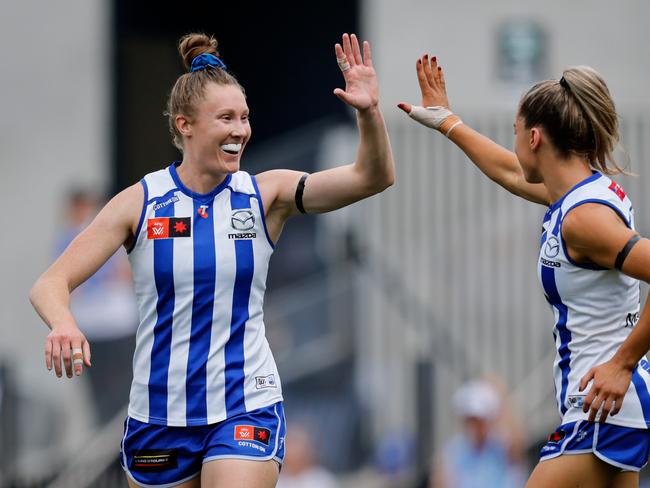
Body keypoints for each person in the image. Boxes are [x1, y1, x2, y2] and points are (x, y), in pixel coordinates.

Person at [29, 32, 394, 488]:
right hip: (159, 413)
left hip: (245, 403)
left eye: (245, 117)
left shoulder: (266, 194)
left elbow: (373, 177)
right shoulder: (140, 203)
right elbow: (50, 283)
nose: (240, 130)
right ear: (185, 125)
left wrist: (368, 112)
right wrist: (63, 323)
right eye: (226, 118)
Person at [399, 54, 650, 487]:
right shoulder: (575, 195)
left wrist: (622, 364)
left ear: (534, 137)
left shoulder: (582, 217)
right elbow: (512, 174)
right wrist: (448, 122)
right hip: (609, 411)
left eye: (514, 132)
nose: (513, 143)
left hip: (602, 410)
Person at [55, 188, 138, 425]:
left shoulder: (98, 233)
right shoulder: (70, 238)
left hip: (112, 323)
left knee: (117, 392)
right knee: (110, 393)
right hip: (99, 324)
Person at [431, 379, 526, 488]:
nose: (474, 426)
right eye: (470, 419)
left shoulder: (501, 445)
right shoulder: (454, 452)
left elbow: (517, 443)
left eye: (479, 420)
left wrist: (500, 397)